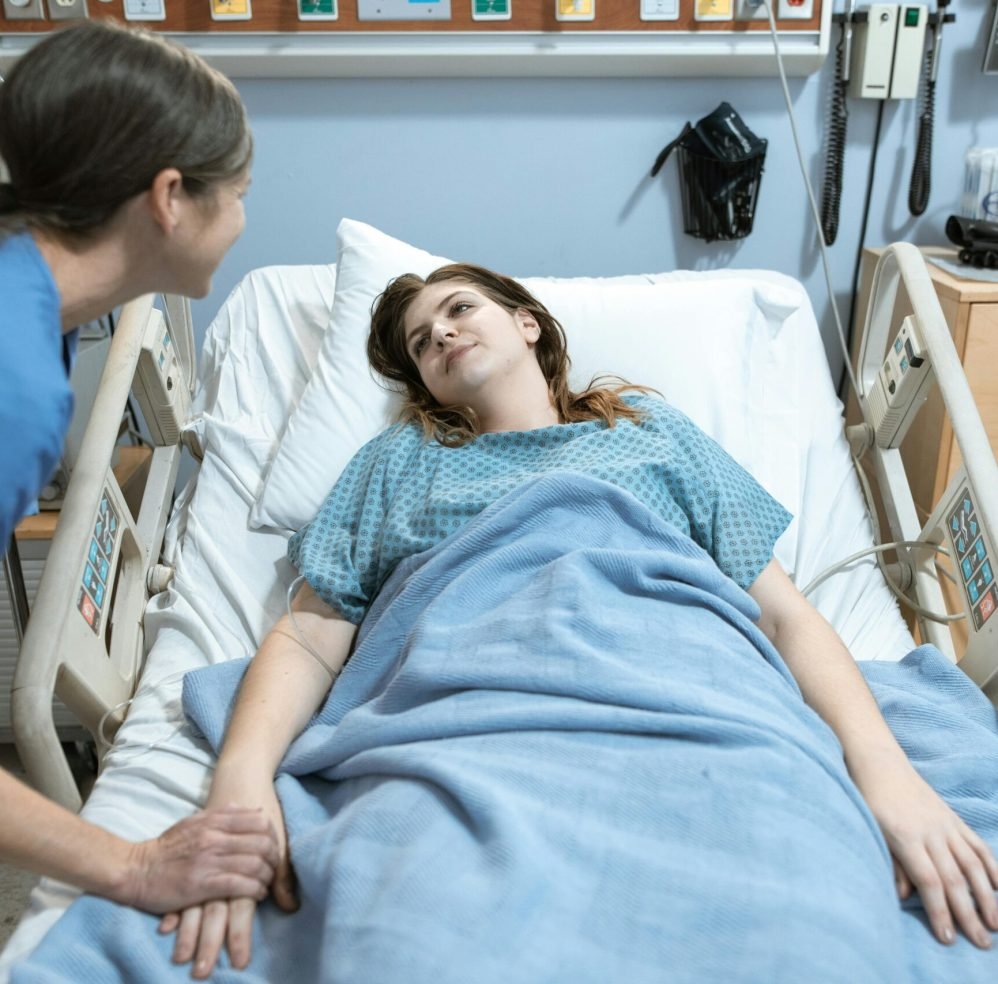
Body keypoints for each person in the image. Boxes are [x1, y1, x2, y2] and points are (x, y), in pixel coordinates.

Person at [170, 263, 998, 978]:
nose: (442, 336)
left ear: (527, 323)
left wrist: (886, 774)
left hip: (700, 699)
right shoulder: (399, 459)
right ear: (423, 384)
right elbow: (311, 635)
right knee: (423, 924)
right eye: (422, 343)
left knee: (806, 921)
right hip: (467, 719)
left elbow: (782, 617)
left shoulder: (652, 434)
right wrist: (241, 783)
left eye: (460, 309)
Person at [0, 21, 283, 918]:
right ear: (170, 198)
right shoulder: (13, 383)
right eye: (237, 193)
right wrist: (130, 866)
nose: (242, 217)